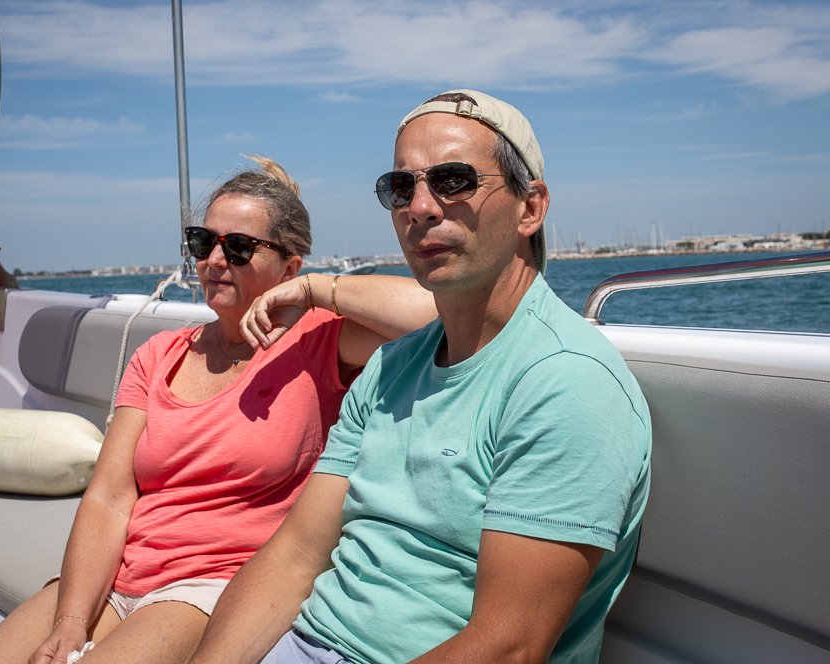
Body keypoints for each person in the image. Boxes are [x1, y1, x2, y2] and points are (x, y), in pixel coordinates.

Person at [192, 90, 652, 664]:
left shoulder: (566, 384)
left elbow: (508, 646)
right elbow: (294, 557)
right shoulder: (391, 367)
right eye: (401, 188)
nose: (421, 207)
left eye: (454, 180)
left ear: (530, 208)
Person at [0, 157, 437, 664]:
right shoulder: (158, 355)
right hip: (122, 573)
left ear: (289, 266)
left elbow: (440, 314)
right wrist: (71, 621)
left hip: (214, 587)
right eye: (202, 241)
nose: (214, 260)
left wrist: (315, 290)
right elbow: (108, 499)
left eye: (238, 247)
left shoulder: (320, 341)